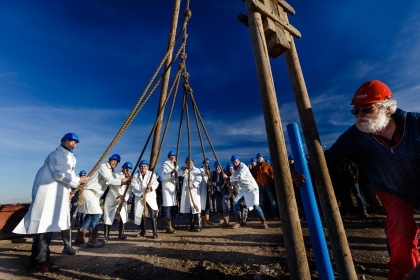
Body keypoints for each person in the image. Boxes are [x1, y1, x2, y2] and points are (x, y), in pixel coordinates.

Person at [293, 80, 420, 280]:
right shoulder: (354, 137)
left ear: (386, 108)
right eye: (356, 111)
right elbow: (326, 161)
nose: (360, 116)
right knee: (400, 231)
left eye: (366, 110)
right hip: (392, 190)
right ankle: (402, 275)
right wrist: (304, 174)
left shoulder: (416, 123)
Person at [13, 133, 90, 272]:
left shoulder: (67, 156)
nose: (74, 144)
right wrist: (79, 180)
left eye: (76, 142)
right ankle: (43, 262)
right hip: (48, 194)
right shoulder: (58, 155)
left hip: (54, 193)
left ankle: (34, 260)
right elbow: (60, 174)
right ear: (63, 141)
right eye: (71, 141)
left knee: (43, 227)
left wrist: (68, 191)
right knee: (45, 228)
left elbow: (63, 175)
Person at [76, 154, 130, 248]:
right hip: (90, 192)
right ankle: (93, 240)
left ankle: (81, 236)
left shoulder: (111, 171)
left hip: (95, 194)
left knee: (90, 215)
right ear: (109, 160)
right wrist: (125, 179)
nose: (115, 163)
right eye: (114, 161)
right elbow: (111, 180)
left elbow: (113, 183)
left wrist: (124, 183)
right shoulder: (104, 167)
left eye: (117, 162)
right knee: (97, 213)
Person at [224, 155, 268, 229]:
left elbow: (240, 176)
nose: (235, 164)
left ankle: (263, 221)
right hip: (243, 190)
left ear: (239, 161)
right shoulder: (236, 170)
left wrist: (228, 177)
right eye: (233, 162)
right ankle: (238, 222)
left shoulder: (243, 167)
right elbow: (235, 182)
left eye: (236, 162)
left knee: (255, 206)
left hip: (252, 189)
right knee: (235, 203)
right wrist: (229, 184)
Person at [103, 161, 133, 242]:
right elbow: (112, 187)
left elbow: (129, 191)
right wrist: (119, 196)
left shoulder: (130, 178)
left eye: (129, 169)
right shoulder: (116, 176)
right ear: (123, 168)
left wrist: (125, 198)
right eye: (126, 168)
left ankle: (121, 234)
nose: (127, 170)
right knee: (108, 217)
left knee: (123, 217)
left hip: (122, 200)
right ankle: (106, 236)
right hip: (113, 198)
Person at [130, 160, 159, 239]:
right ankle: (142, 230)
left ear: (147, 167)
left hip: (150, 196)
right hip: (140, 197)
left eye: (145, 166)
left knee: (153, 214)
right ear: (139, 167)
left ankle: (155, 232)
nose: (143, 168)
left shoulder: (151, 174)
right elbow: (134, 187)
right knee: (140, 214)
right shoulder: (136, 176)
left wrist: (151, 187)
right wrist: (140, 194)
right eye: (141, 167)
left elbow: (156, 183)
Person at [179, 157, 203, 232]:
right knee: (190, 208)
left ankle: (199, 225)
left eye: (191, 162)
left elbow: (199, 179)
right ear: (186, 163)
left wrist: (193, 185)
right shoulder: (185, 170)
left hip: (194, 191)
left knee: (196, 207)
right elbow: (179, 174)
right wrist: (183, 169)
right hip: (187, 192)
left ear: (193, 163)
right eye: (188, 162)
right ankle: (191, 225)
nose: (190, 164)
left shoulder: (197, 170)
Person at [252, 153, 277, 218]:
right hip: (260, 186)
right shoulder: (256, 167)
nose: (259, 159)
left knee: (272, 200)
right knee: (261, 201)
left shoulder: (267, 165)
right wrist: (256, 182)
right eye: (258, 158)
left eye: (260, 158)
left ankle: (274, 213)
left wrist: (270, 180)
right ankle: (263, 215)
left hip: (267, 185)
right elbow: (254, 176)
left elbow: (272, 173)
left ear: (263, 158)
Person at [160, 151, 178, 234]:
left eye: (174, 157)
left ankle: (172, 224)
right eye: (171, 156)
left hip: (173, 189)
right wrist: (172, 172)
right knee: (167, 207)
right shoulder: (165, 164)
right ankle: (168, 226)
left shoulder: (175, 165)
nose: (173, 158)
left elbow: (177, 175)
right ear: (168, 157)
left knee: (173, 208)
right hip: (167, 189)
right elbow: (164, 175)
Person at [200, 158, 213, 227]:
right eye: (206, 163)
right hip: (203, 191)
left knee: (208, 206)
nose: (207, 164)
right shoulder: (201, 169)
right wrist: (206, 172)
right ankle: (204, 221)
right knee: (203, 206)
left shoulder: (209, 171)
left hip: (207, 190)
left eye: (208, 163)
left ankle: (207, 220)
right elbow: (202, 173)